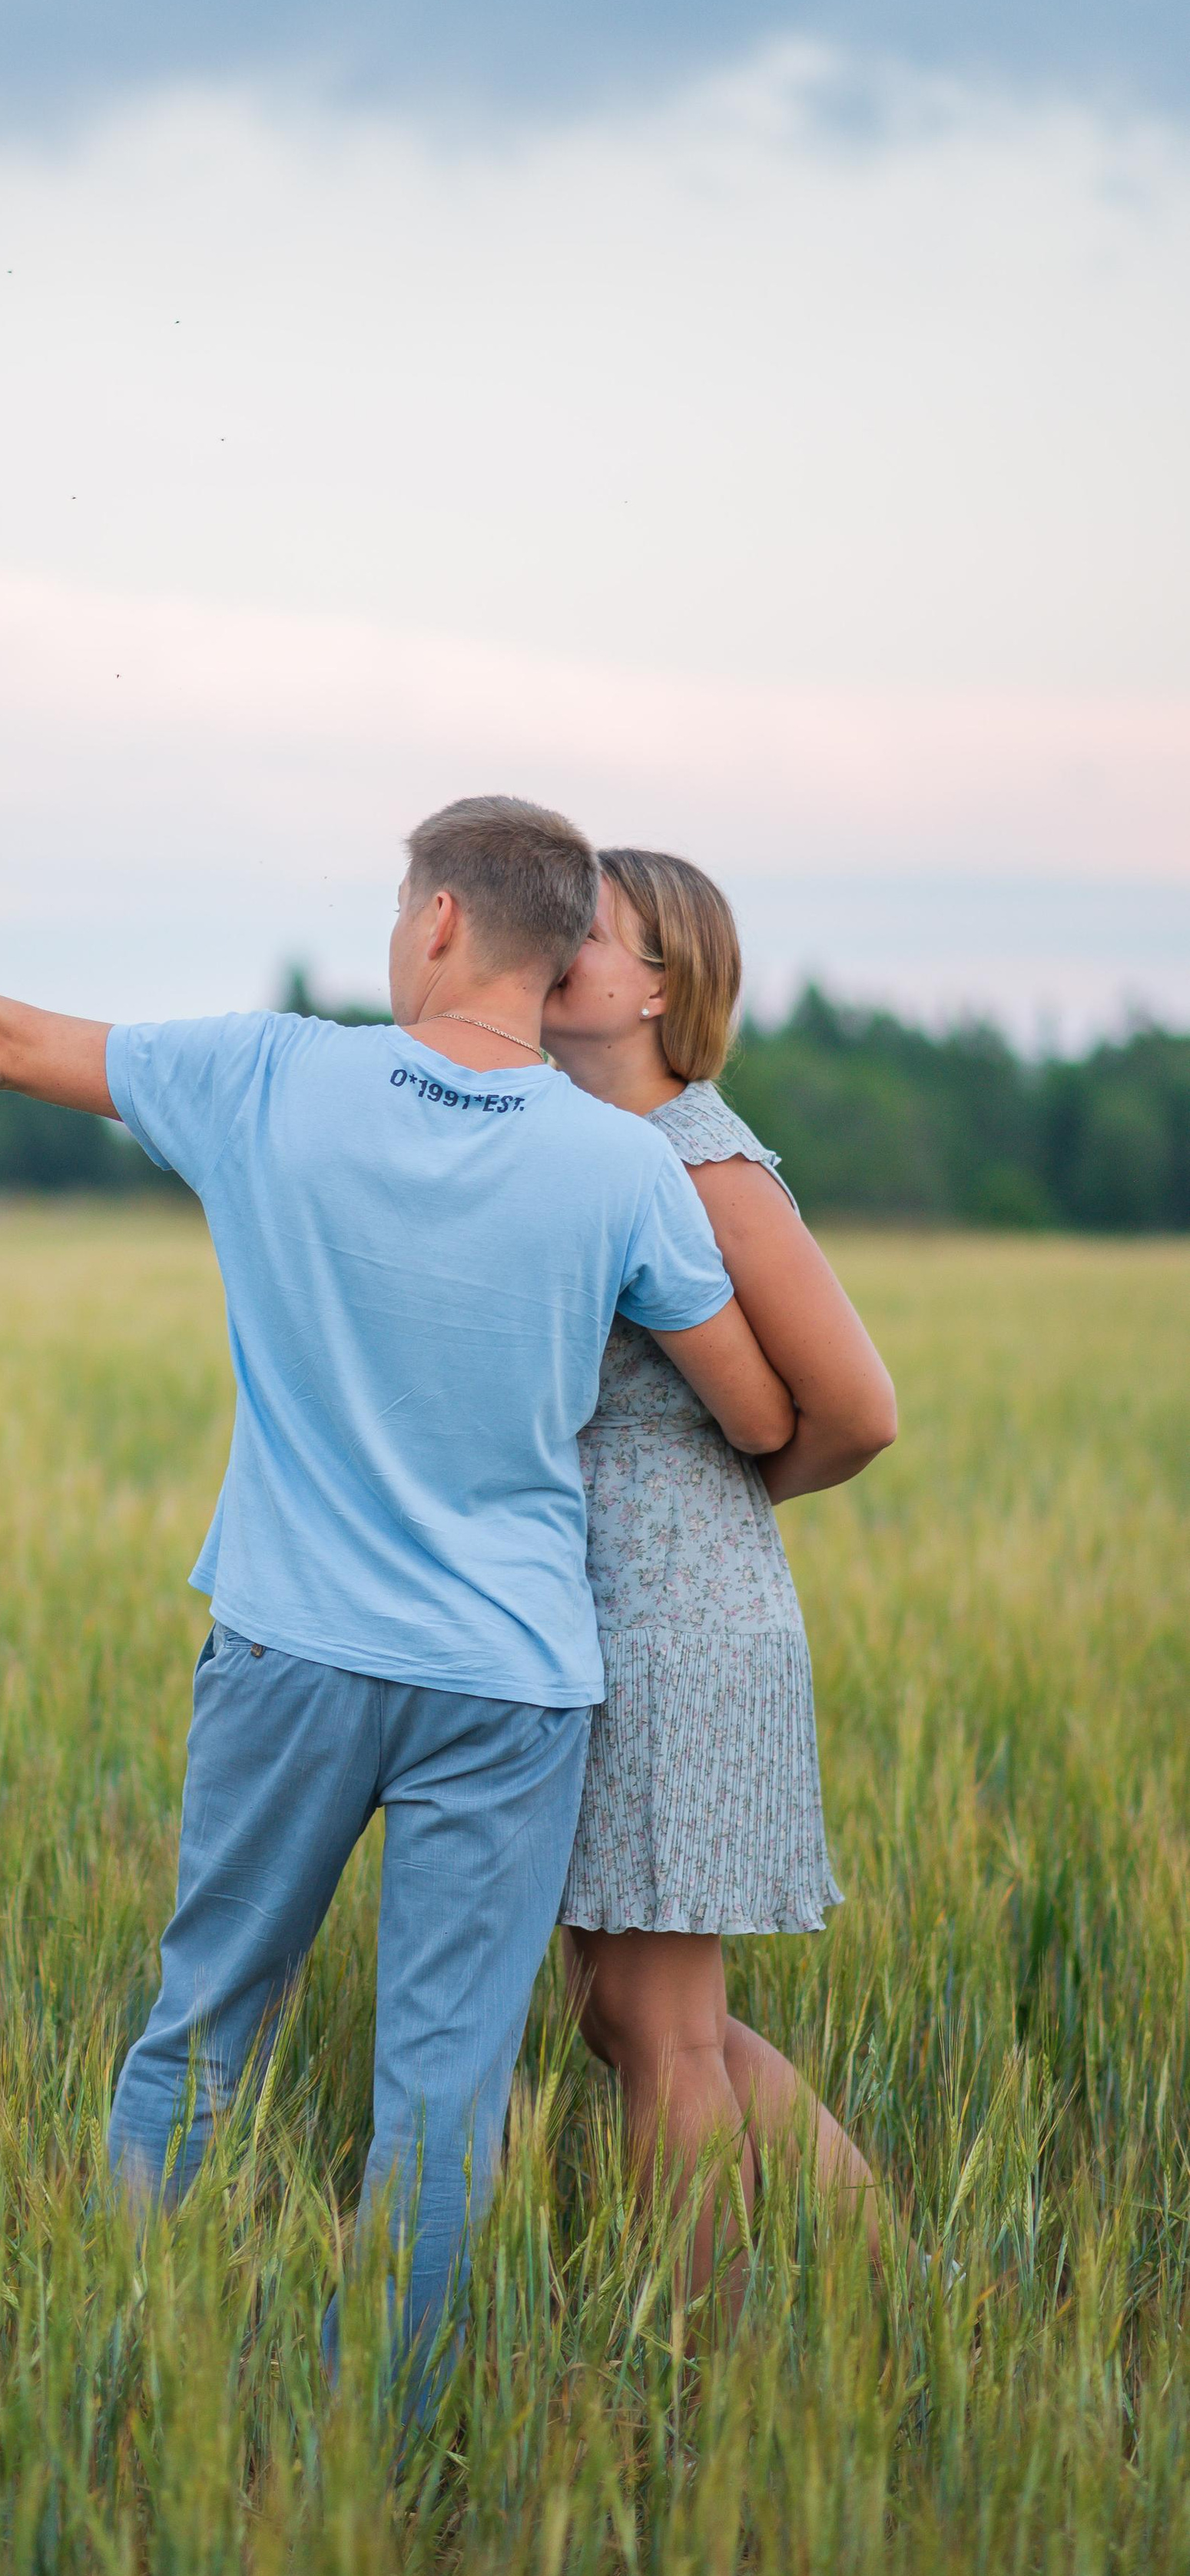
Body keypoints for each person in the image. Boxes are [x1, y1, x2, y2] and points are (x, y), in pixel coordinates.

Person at [0, 794, 797, 2408]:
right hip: (513, 1680)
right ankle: (376, 2448)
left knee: (205, 2031)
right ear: (560, 945)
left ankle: (119, 2389)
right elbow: (758, 1415)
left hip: (293, 1651)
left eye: (400, 908)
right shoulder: (623, 1168)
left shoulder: (271, 1077)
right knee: (441, 2101)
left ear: (440, 921)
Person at [539, 848, 898, 2289]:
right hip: (602, 1613)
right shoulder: (593, 1143)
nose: (554, 944)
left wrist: (716, 1511)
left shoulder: (704, 1161)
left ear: (659, 987)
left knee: (661, 2028)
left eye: (588, 931)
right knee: (625, 2015)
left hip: (677, 1622)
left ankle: (689, 2349)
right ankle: (894, 2280)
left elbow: (859, 1410)